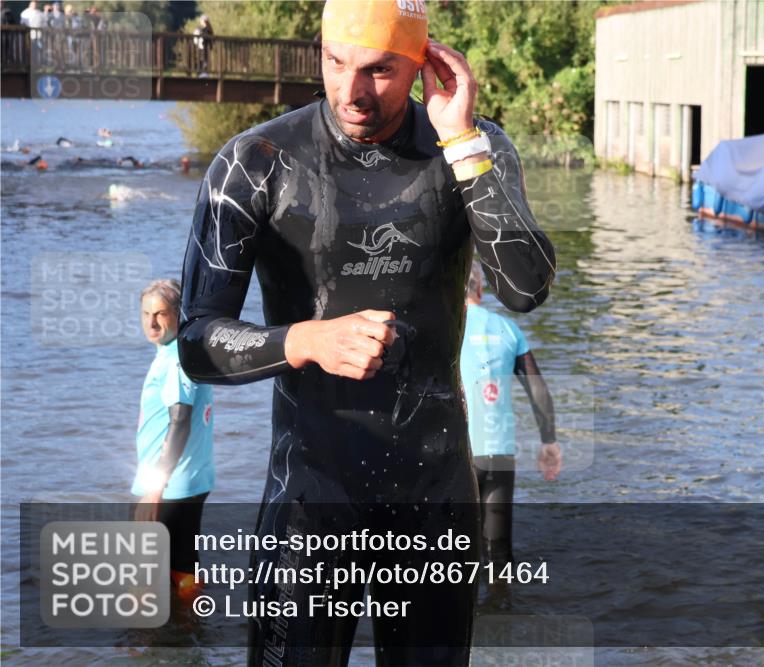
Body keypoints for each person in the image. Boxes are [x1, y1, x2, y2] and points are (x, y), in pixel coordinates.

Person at [177, 0, 555, 663]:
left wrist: (462, 143)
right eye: (335, 62)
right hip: (308, 501)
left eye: (380, 70)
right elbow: (195, 342)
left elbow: (526, 288)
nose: (352, 92)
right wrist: (304, 341)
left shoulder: (473, 146)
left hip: (434, 502)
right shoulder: (255, 163)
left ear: (423, 63)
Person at [460, 263, 561, 609]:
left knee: (455, 548)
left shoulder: (448, 330)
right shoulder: (507, 329)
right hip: (499, 454)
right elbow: (539, 391)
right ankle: (501, 612)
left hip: (459, 455)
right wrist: (549, 442)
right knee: (498, 548)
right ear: (481, 291)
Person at [133, 279, 215, 601]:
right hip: (191, 482)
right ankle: (190, 640)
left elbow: (179, 422)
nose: (152, 322)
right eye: (145, 314)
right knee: (183, 566)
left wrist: (155, 486)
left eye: (161, 314)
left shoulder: (174, 360)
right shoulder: (183, 351)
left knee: (141, 578)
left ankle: (143, 648)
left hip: (167, 487)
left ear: (178, 315)